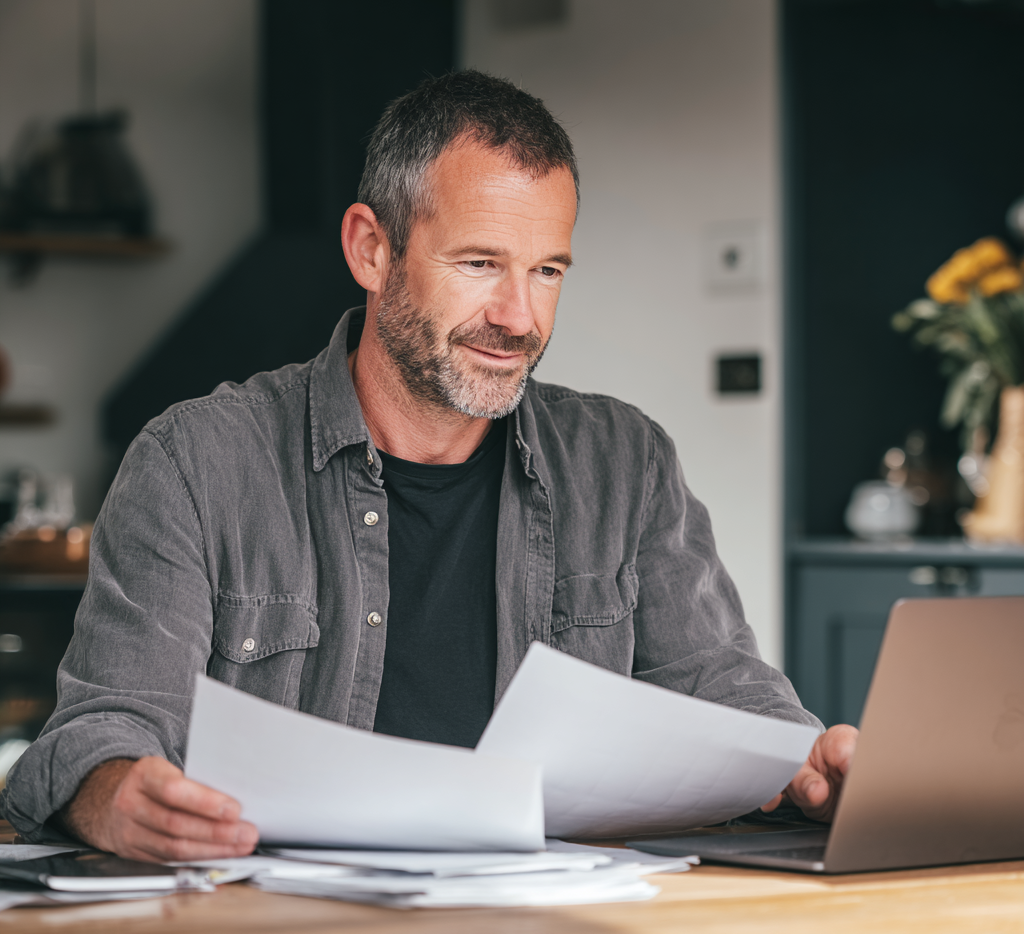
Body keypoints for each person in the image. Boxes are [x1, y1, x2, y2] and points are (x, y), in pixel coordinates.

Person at [0, 71, 856, 862]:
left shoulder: (624, 463)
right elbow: (105, 725)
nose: (519, 316)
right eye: (480, 263)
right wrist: (111, 793)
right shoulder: (195, 462)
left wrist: (813, 764)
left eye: (547, 270)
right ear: (372, 249)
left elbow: (724, 692)